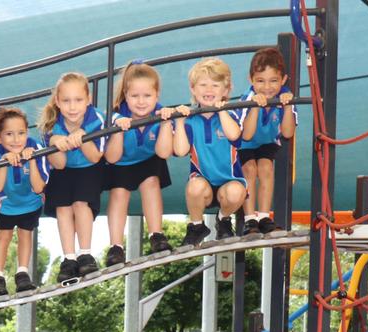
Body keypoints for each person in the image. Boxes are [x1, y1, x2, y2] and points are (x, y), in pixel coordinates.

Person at [102, 61, 175, 264]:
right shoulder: (116, 116)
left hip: (148, 160)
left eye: (147, 96)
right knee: (119, 193)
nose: (141, 102)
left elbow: (163, 152)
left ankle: (156, 235)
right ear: (126, 95)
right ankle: (116, 246)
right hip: (121, 162)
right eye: (135, 96)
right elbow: (111, 158)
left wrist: (166, 123)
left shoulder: (162, 113)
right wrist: (118, 131)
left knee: (151, 183)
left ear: (157, 95)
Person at [40, 71, 107, 283]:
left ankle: (85, 253)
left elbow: (96, 156)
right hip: (64, 171)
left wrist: (83, 138)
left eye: (78, 100)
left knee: (80, 204)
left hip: (89, 168)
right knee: (63, 208)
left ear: (88, 100)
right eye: (66, 101)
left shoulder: (96, 119)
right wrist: (55, 143)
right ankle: (69, 259)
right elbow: (59, 165)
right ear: (58, 102)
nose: (72, 106)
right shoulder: (52, 125)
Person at [172, 57, 245, 244]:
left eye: (215, 85)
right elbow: (180, 151)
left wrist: (221, 111)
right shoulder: (190, 119)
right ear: (193, 89)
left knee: (237, 192)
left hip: (229, 182)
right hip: (202, 181)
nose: (209, 90)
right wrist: (179, 121)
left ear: (226, 90)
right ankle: (197, 225)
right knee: (194, 186)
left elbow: (234, 136)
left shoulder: (231, 114)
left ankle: (223, 219)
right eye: (203, 85)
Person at [0, 107, 50, 296]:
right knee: (3, 236)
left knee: (25, 234)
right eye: (9, 134)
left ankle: (22, 273)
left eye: (21, 133)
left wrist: (31, 160)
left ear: (27, 133)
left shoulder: (36, 147)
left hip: (31, 202)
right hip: (7, 204)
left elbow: (39, 187)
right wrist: (4, 162)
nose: (16, 139)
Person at [237, 47, 296, 234]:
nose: (267, 87)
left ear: (283, 80)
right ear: (251, 80)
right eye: (260, 81)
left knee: (266, 168)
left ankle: (263, 215)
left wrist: (287, 107)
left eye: (274, 81)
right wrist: (254, 106)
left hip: (267, 141)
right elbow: (246, 135)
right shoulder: (248, 98)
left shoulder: (286, 97)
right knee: (250, 169)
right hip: (245, 142)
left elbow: (287, 133)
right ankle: (249, 219)